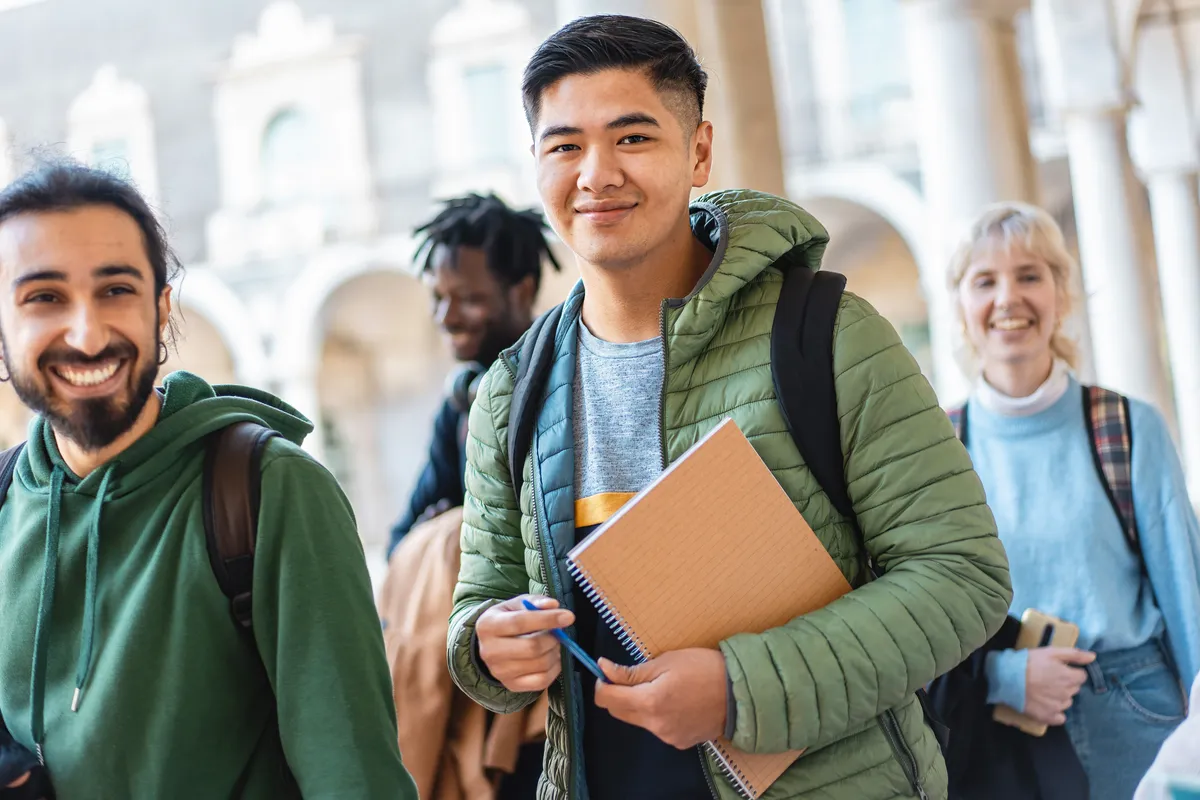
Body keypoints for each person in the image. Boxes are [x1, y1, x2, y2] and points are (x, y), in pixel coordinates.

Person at [447, 15, 1012, 800]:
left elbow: (963, 576)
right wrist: (488, 648)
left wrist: (741, 688)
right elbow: (481, 602)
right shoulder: (514, 388)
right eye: (565, 145)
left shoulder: (823, 334)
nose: (596, 174)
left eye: (634, 138)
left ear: (700, 151)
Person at [0, 161, 417, 799]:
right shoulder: (5, 502)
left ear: (162, 310)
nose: (86, 334)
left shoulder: (268, 491)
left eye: (116, 290)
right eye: (43, 297)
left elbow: (355, 779)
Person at [943, 202, 1200, 800]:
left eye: (1030, 275)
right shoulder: (939, 445)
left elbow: (1189, 597)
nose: (1009, 297)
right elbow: (927, 612)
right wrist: (1001, 675)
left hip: (1136, 717)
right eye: (985, 280)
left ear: (1061, 293)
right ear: (961, 304)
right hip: (1004, 723)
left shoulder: (1127, 426)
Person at [387, 193, 560, 557]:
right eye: (438, 297)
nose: (446, 318)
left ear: (522, 291)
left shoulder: (564, 383)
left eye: (468, 299)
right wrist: (438, 530)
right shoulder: (460, 404)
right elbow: (398, 543)